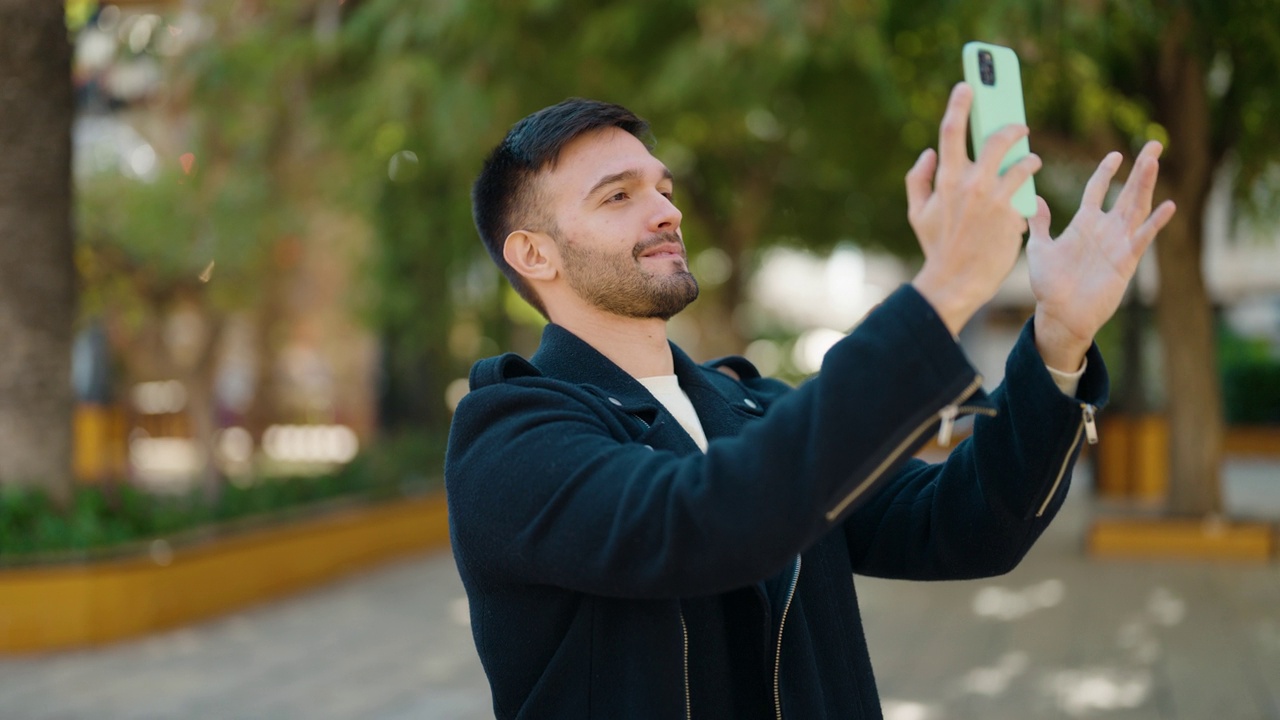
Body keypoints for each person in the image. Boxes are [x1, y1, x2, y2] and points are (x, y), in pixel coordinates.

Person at [445, 84, 1175, 719]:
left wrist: (1058, 339)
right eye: (618, 195)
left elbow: (967, 523)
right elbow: (698, 521)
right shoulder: (507, 435)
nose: (665, 210)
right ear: (533, 254)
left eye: (662, 187)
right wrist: (942, 293)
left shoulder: (752, 405)